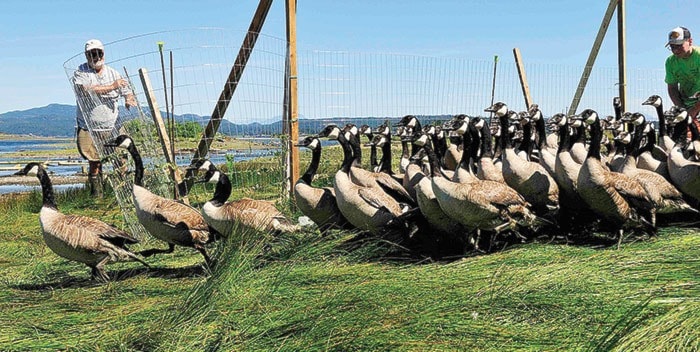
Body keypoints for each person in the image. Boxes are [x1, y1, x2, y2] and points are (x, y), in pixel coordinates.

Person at [72, 39, 136, 197]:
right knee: (94, 161)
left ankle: (125, 194)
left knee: (120, 159)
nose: (95, 57)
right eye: (91, 54)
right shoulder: (80, 73)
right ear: (86, 55)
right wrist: (113, 86)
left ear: (103, 54)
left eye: (98, 53)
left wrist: (129, 98)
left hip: (114, 125)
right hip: (89, 127)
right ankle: (97, 196)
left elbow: (127, 90)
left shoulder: (114, 73)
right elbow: (87, 89)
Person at [664, 26, 700, 138]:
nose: (675, 50)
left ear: (690, 41)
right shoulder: (671, 62)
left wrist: (694, 110)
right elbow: (672, 88)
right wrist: (682, 110)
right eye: (672, 47)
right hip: (686, 105)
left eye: (679, 46)